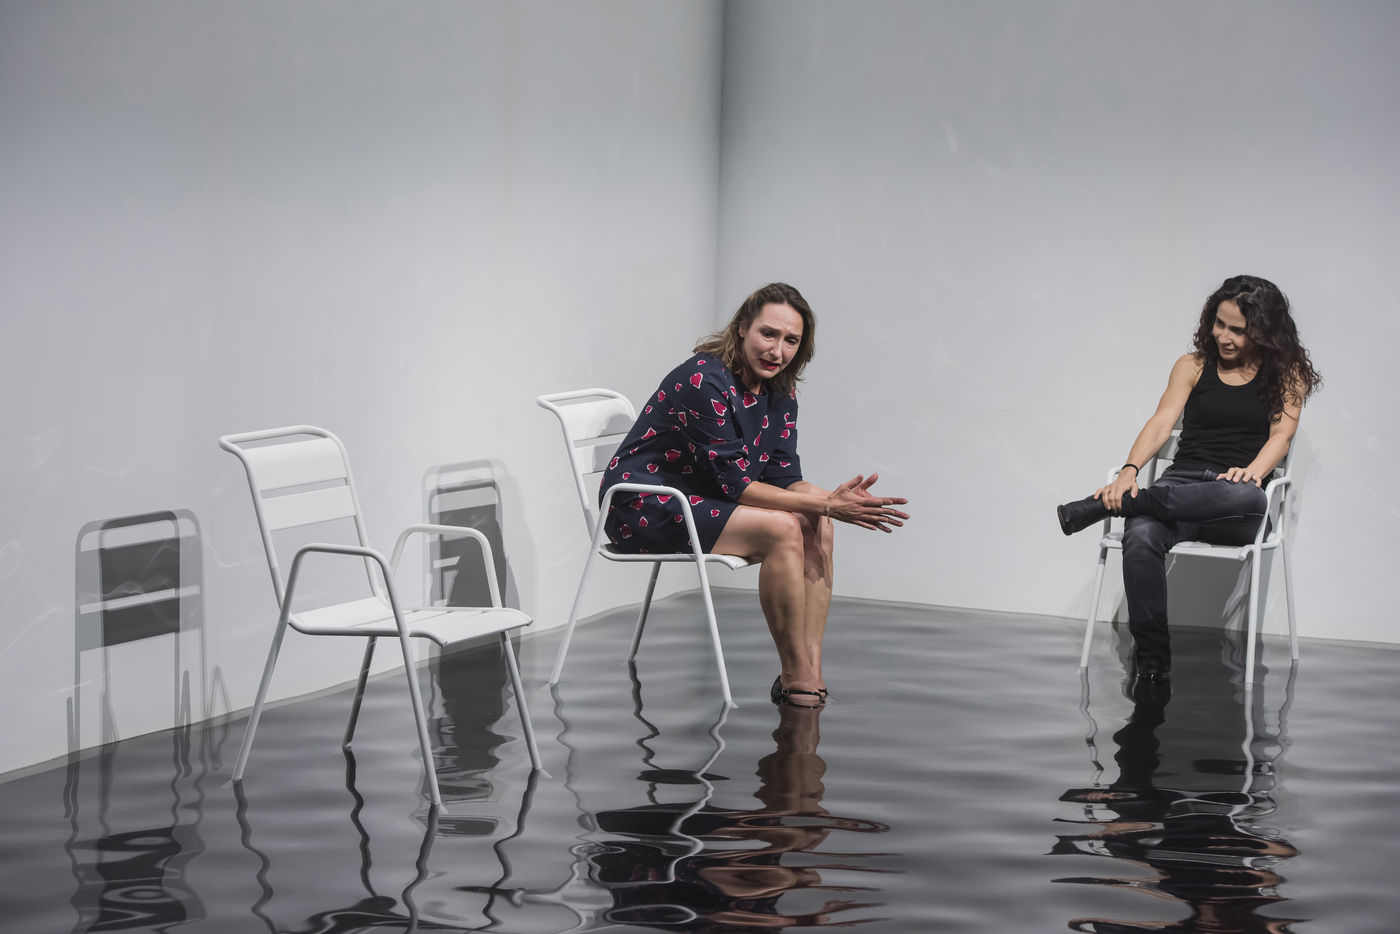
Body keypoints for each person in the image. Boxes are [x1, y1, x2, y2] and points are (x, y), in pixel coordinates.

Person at [599, 282, 910, 707]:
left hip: (704, 499)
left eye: (791, 340)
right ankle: (796, 675)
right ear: (742, 327)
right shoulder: (702, 380)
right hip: (645, 505)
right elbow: (737, 486)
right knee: (785, 528)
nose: (777, 351)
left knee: (818, 521)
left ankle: (810, 669)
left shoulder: (780, 388)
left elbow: (783, 476)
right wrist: (825, 503)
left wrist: (836, 502)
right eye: (768, 334)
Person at [1056, 275, 1321, 682]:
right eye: (1219, 324)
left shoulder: (1287, 373)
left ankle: (1128, 503)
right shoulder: (1192, 365)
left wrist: (1252, 473)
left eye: (1238, 330)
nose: (1224, 336)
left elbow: (1281, 437)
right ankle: (1152, 663)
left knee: (1248, 497)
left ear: (1264, 331)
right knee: (1140, 534)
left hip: (1234, 497)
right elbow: (1162, 422)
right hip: (1180, 486)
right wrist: (1129, 471)